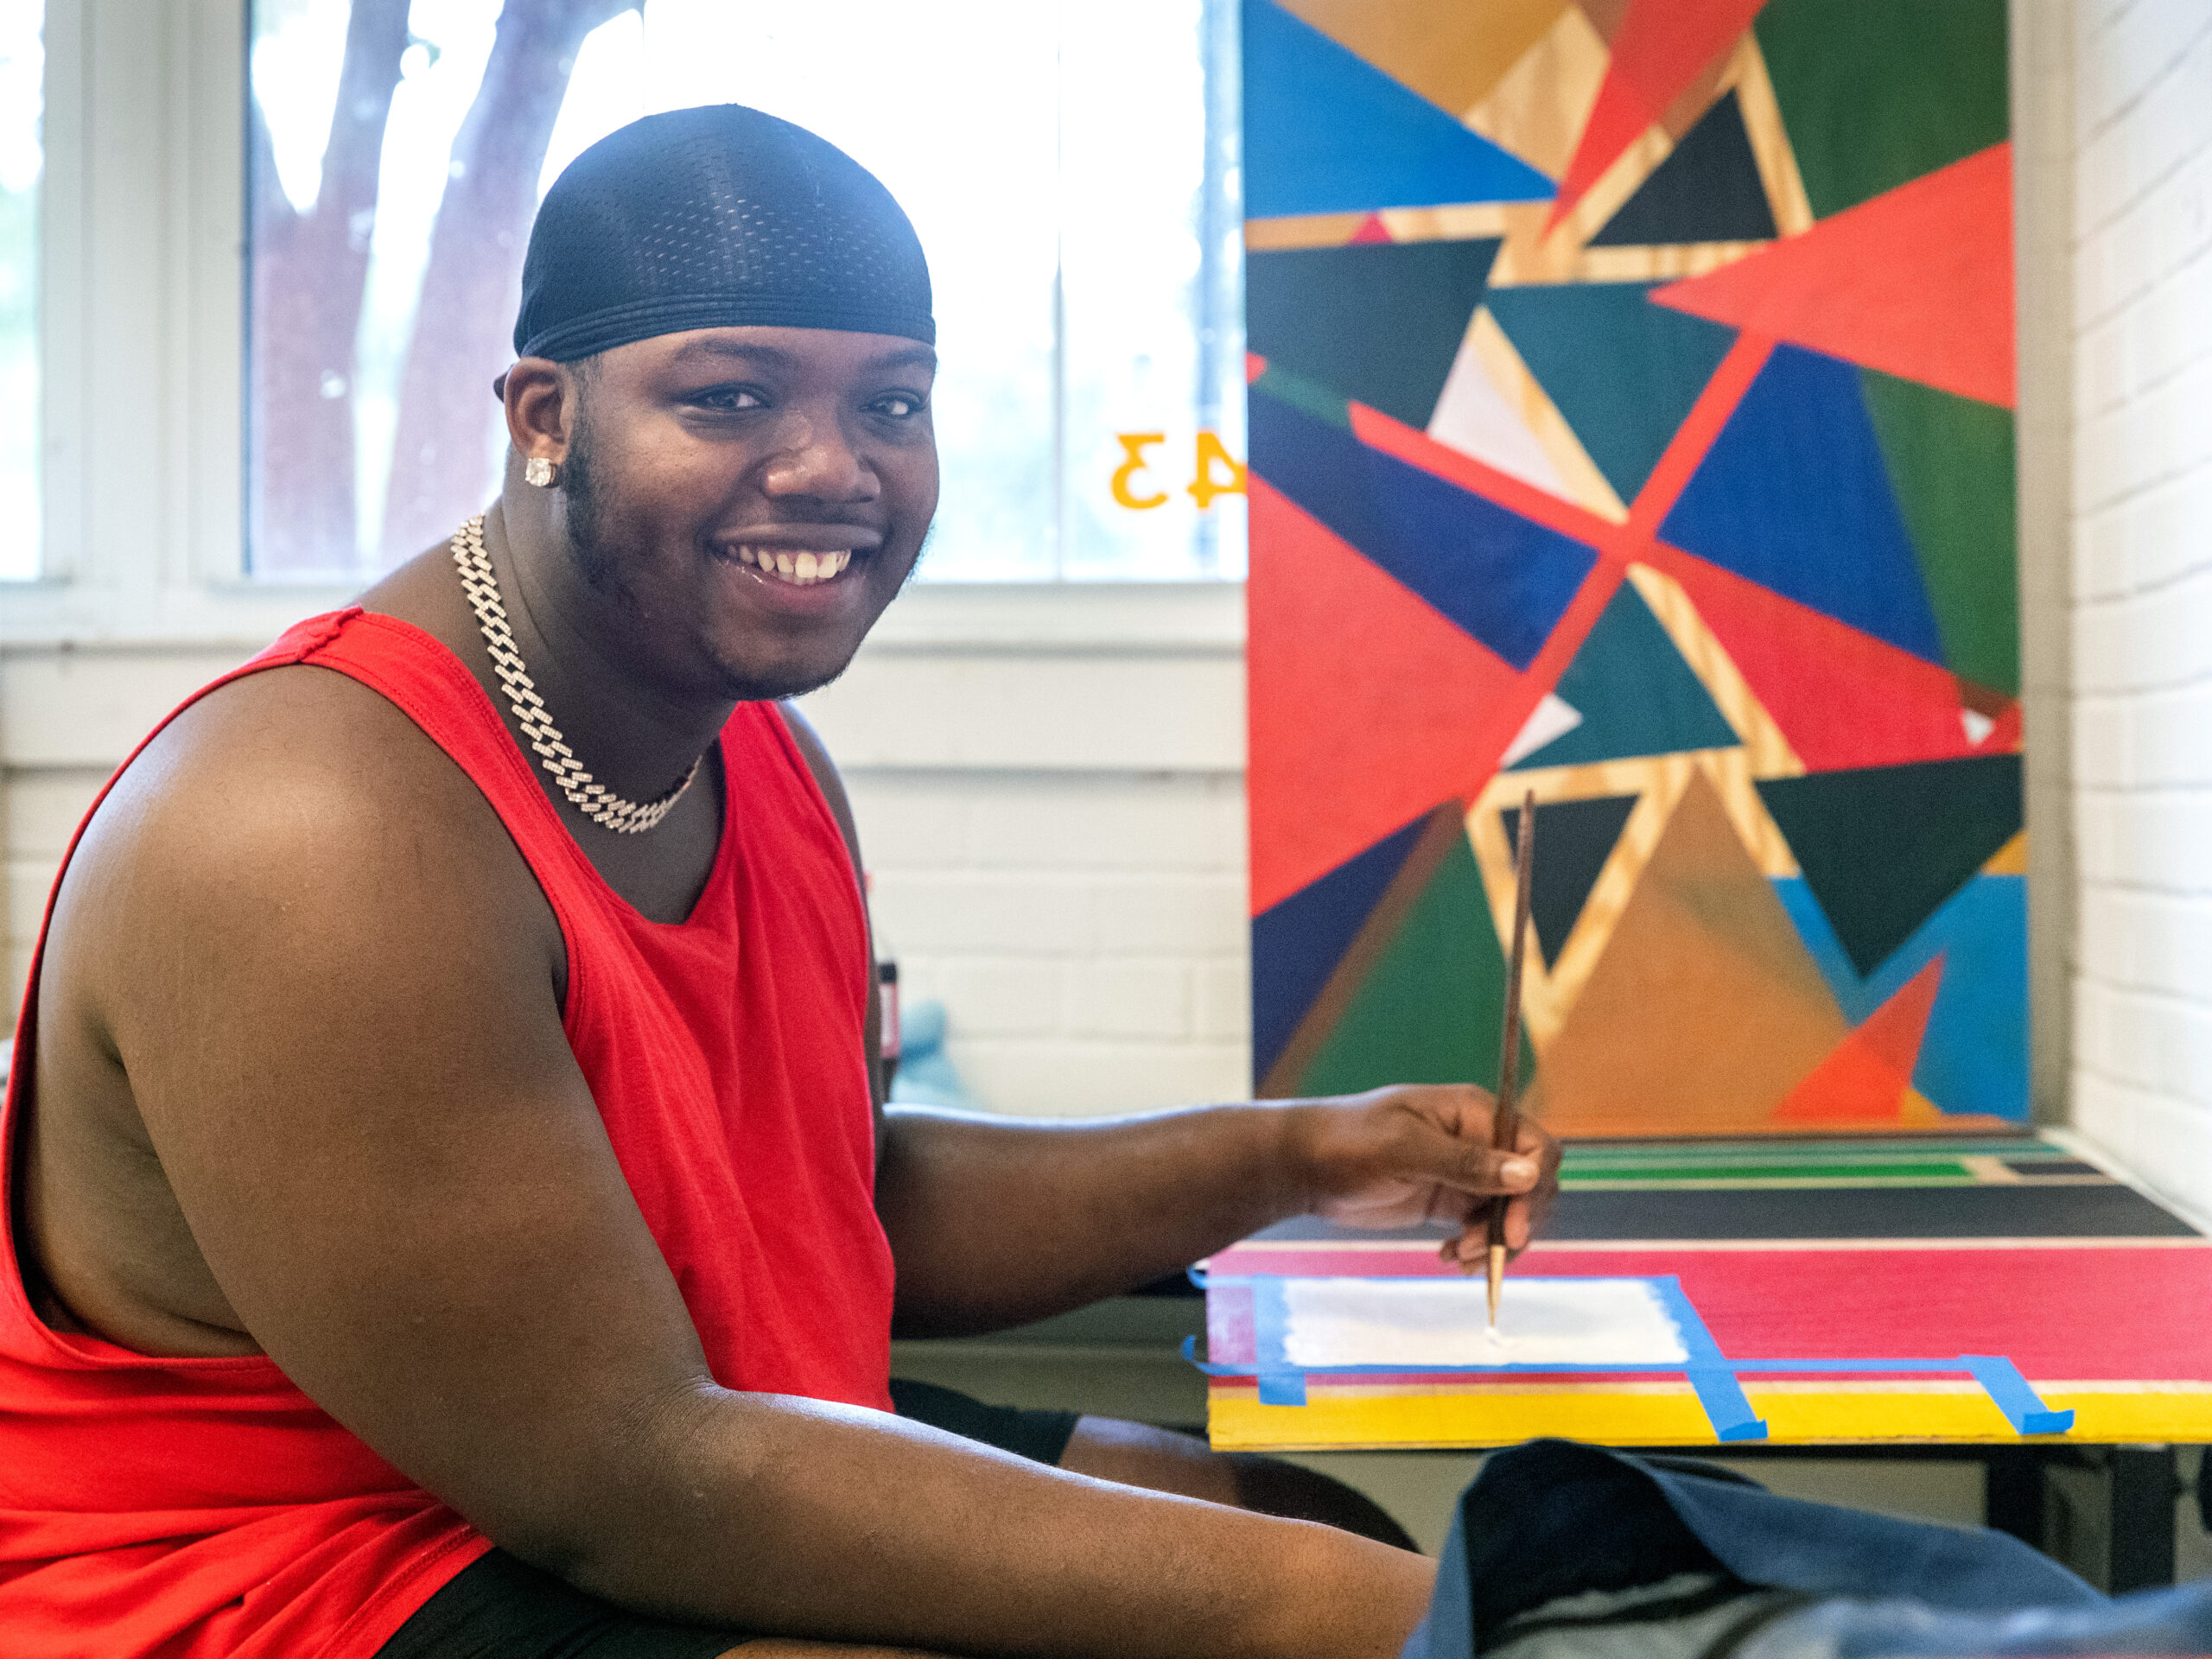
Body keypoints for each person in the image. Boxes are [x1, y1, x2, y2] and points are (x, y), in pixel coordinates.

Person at [0, 105, 1557, 1659]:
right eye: (730, 397)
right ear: (545, 415)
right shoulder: (310, 831)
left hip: (632, 1437)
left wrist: (1297, 1156)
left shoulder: (758, 754)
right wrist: (1383, 1624)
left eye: (893, 402)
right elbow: (628, 1474)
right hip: (277, 1562)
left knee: (1303, 1517)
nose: (831, 467)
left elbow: (829, 1199)